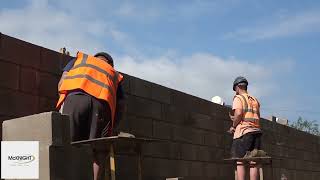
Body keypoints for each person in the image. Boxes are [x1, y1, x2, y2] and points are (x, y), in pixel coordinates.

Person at [56, 51, 125, 180]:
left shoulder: (80, 60)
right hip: (101, 104)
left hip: (75, 99)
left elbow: (62, 82)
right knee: (98, 150)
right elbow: (121, 104)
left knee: (68, 143)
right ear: (110, 63)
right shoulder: (112, 72)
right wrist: (113, 126)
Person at [229, 76, 263, 180]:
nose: (235, 92)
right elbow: (255, 116)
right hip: (256, 133)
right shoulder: (254, 100)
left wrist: (233, 126)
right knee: (253, 161)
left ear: (237, 87)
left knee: (240, 161)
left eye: (235, 90)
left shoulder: (238, 98)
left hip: (244, 133)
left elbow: (238, 113)